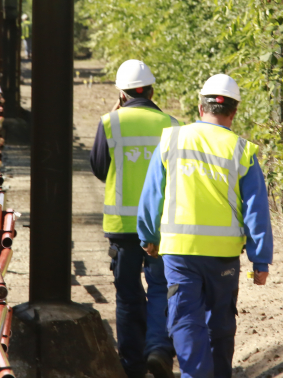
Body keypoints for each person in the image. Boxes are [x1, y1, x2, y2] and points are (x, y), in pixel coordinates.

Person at [137, 74, 273, 378]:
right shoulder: (241, 150)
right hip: (222, 256)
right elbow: (256, 211)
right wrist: (260, 259)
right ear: (234, 112)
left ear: (201, 107)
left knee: (185, 321)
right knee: (220, 324)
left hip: (179, 253)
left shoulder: (171, 139)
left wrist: (148, 236)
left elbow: (152, 195)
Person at [90, 59, 181, 378]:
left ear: (122, 93)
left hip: (122, 228)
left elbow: (100, 169)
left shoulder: (110, 123)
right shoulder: (171, 125)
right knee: (160, 289)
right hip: (161, 228)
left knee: (128, 296)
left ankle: (132, 365)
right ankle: (158, 349)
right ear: (152, 90)